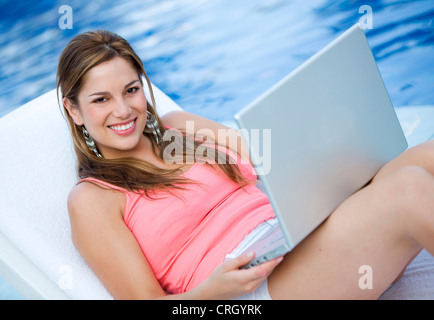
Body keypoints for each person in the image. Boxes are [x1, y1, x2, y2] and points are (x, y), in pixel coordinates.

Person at [57, 30, 434, 300]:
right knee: (410, 189)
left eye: (131, 90)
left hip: (295, 233)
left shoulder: (178, 125)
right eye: (101, 99)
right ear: (74, 110)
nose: (123, 110)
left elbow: (271, 157)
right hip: (252, 289)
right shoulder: (93, 200)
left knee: (427, 155)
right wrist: (211, 292)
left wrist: (331, 154)